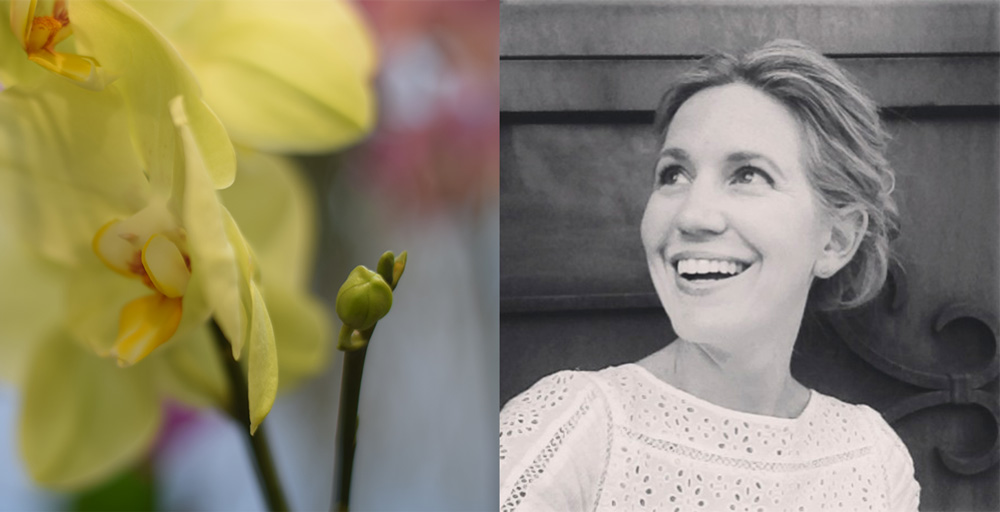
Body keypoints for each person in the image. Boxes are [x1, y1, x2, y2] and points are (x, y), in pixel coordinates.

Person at [499, 39, 920, 512]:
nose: (692, 215)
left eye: (747, 175)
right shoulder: (574, 431)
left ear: (836, 240)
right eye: (673, 174)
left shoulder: (871, 462)